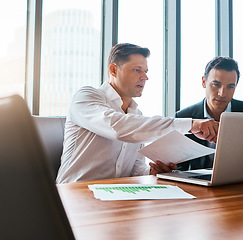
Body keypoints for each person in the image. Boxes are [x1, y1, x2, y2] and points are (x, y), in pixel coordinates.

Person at [56, 43, 218, 183]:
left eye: (145, 71)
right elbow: (117, 127)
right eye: (137, 70)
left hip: (115, 197)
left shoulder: (136, 114)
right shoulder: (87, 97)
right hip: (74, 194)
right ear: (113, 70)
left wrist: (151, 173)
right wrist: (190, 125)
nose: (145, 77)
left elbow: (134, 168)